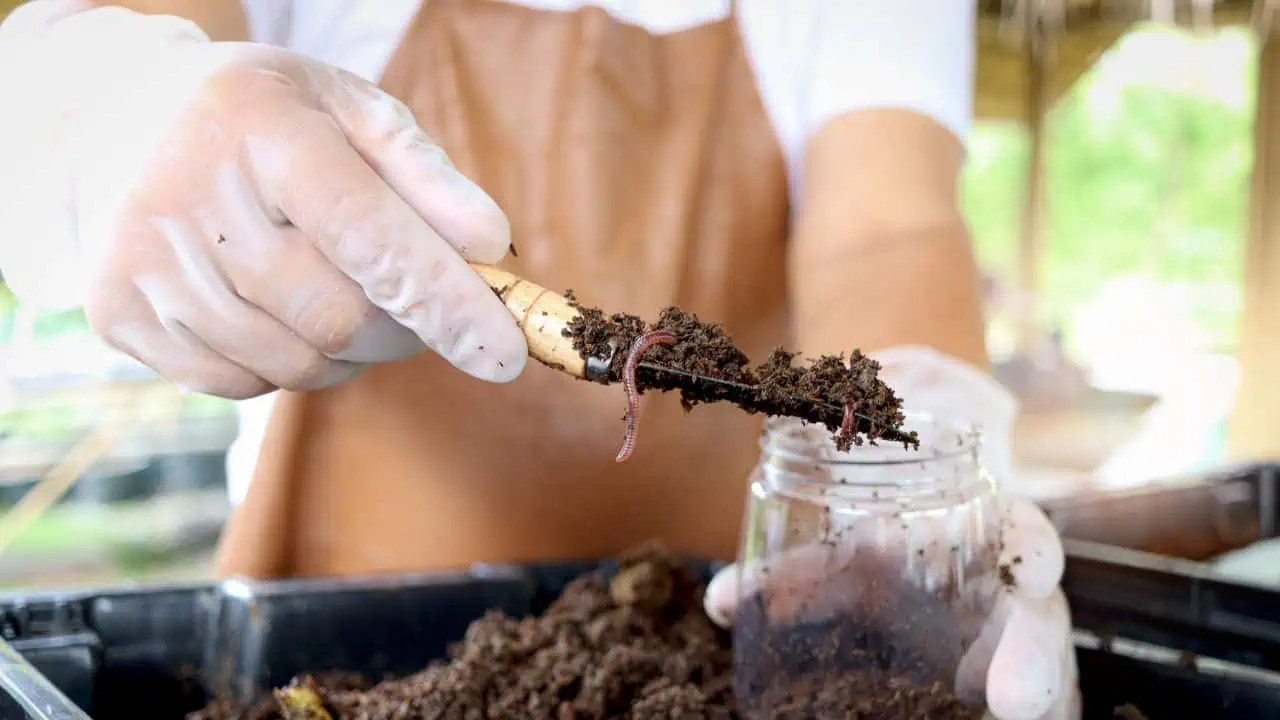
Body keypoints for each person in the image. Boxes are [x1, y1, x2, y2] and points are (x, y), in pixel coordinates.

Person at [0, 1, 1077, 717]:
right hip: (345, 641)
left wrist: (923, 443)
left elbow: (886, 228)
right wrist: (104, 107)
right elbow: (115, 42)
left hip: (720, 616)